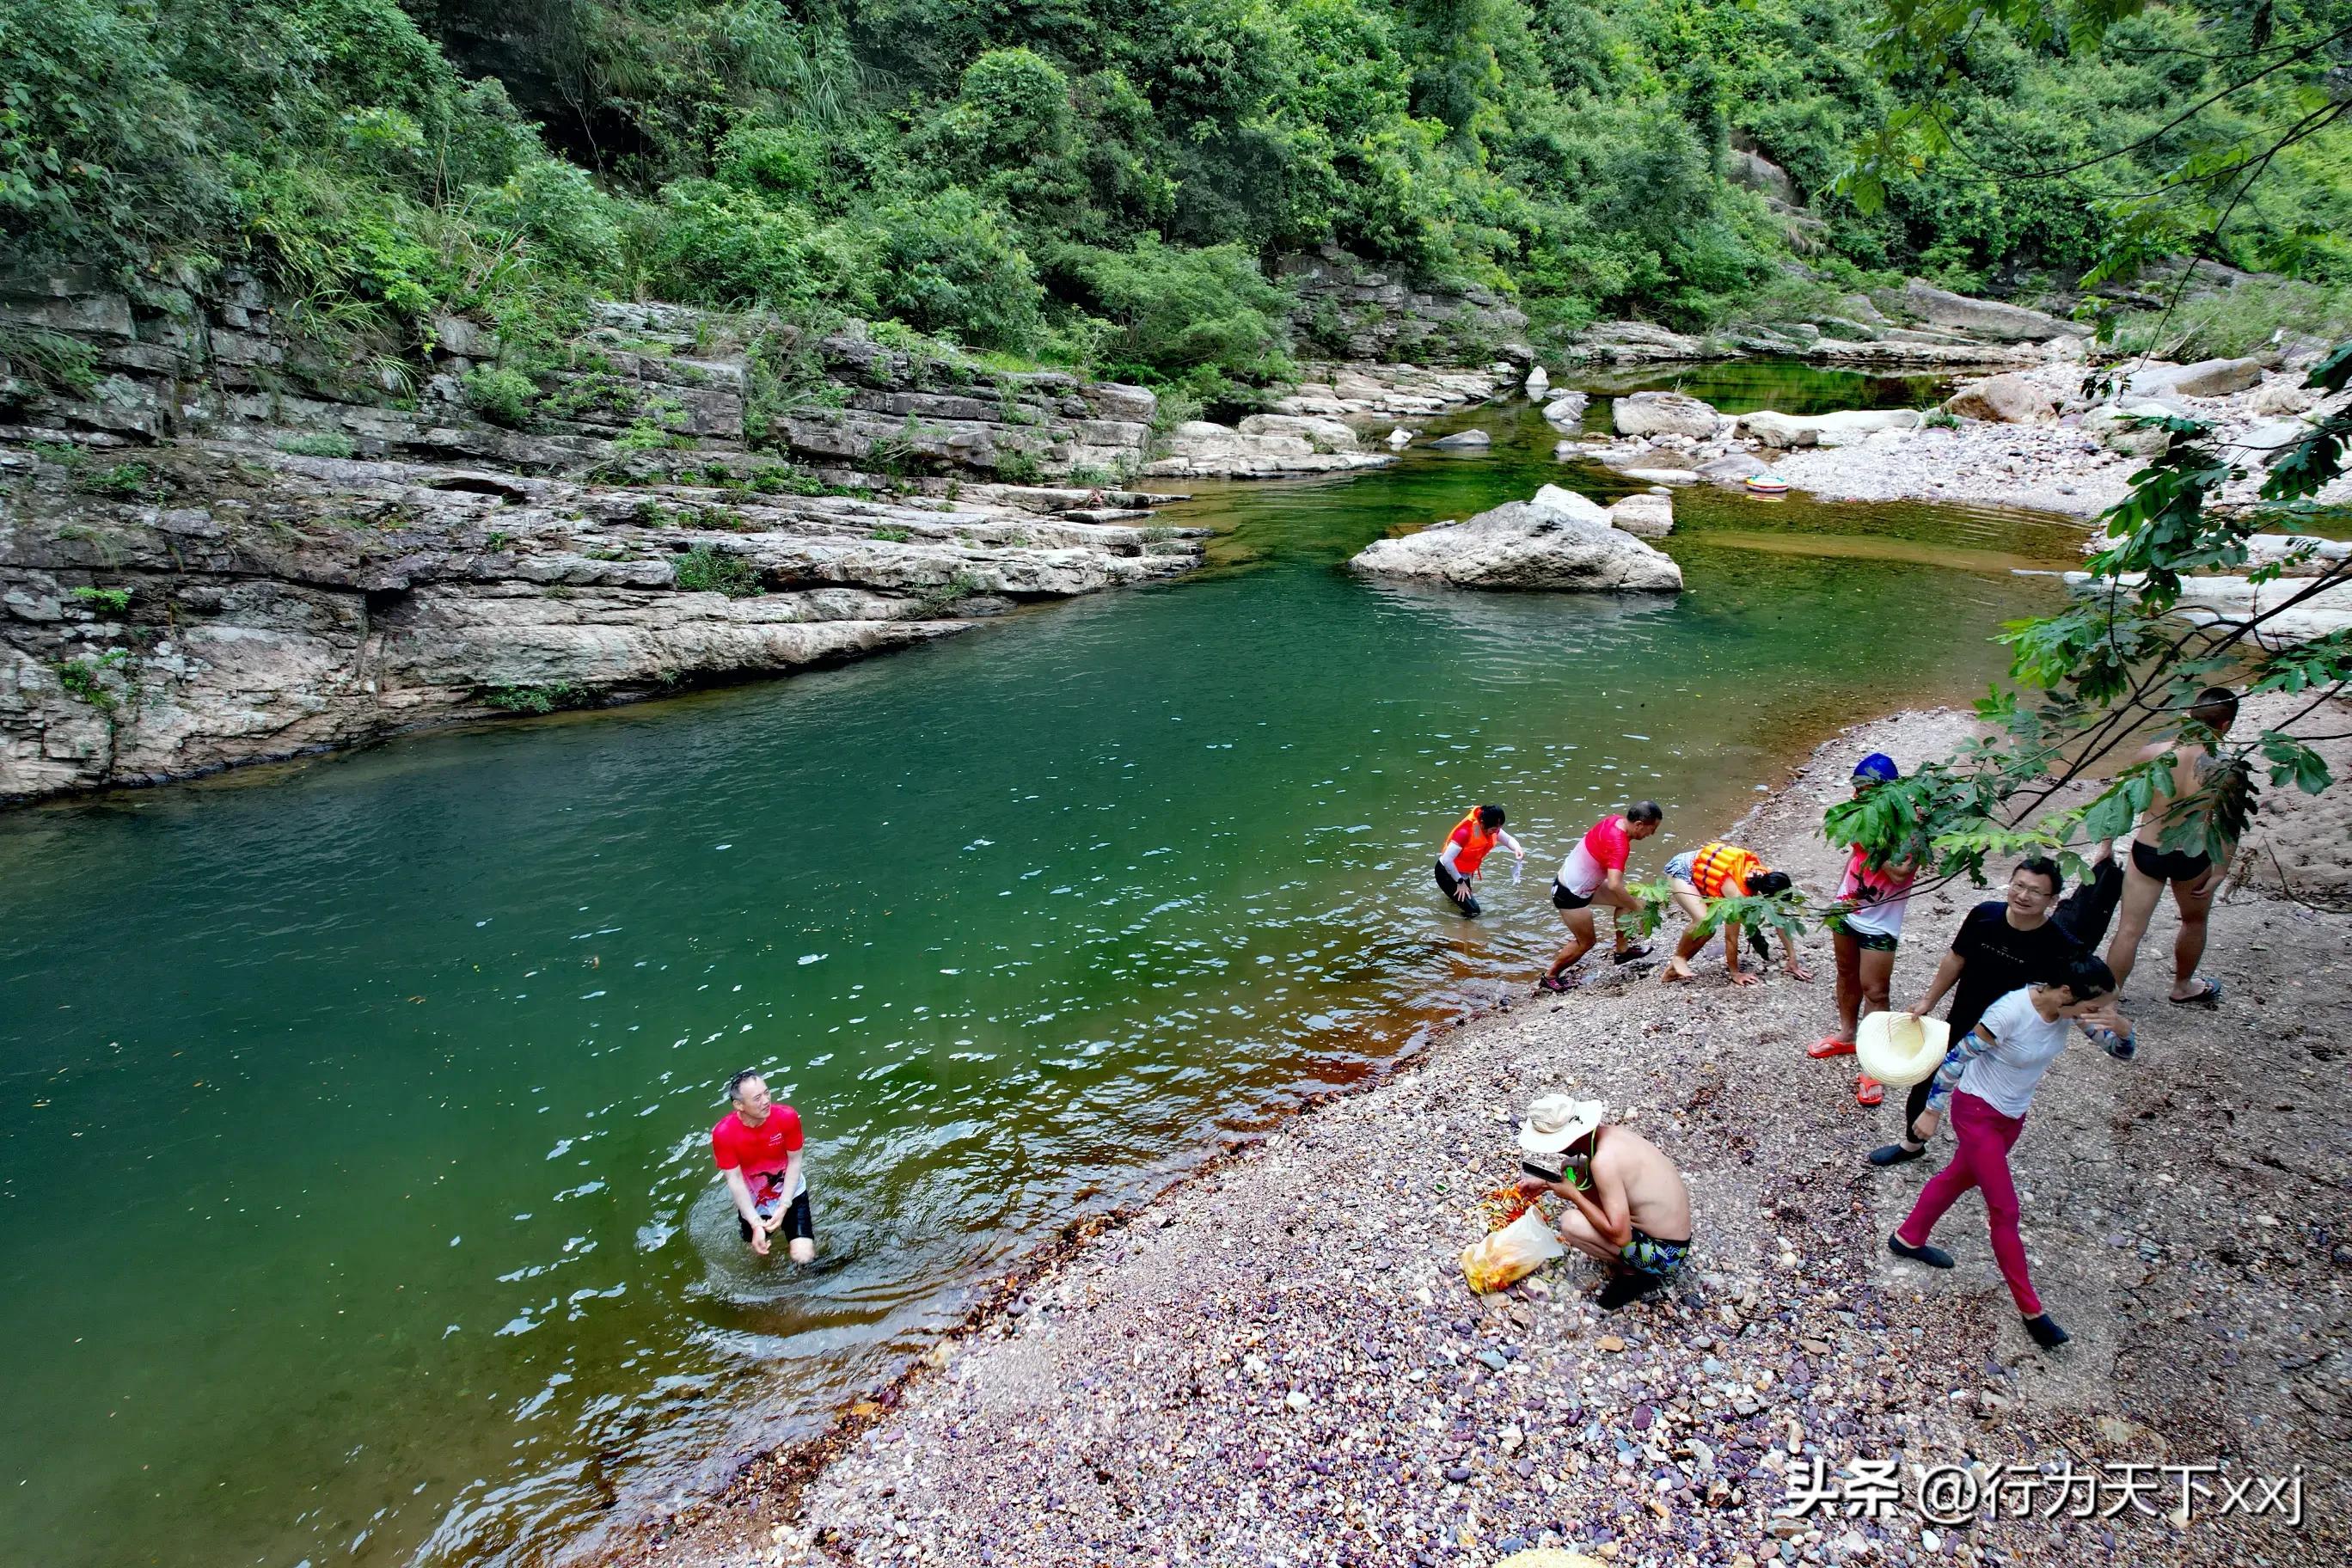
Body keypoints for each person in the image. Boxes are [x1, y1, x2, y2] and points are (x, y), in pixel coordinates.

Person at [1885, 956, 2135, 1350]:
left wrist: (2123, 1028)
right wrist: (1931, 1112)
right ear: (2066, 992)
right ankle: (2032, 1311)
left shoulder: (2069, 1010)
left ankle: (1907, 1238)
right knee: (2005, 1211)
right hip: (1977, 1113)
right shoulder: (2009, 1013)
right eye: (2094, 1007)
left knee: (1957, 1178)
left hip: (2011, 1117)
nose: (2097, 1014)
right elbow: (1956, 1059)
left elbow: (2122, 1052)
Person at [1869, 848, 2125, 1166]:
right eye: (2019, 885)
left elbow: (2079, 994)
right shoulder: (1984, 915)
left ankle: (1978, 1158)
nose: (2023, 896)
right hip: (1965, 1015)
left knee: (1991, 1097)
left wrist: (2110, 1026)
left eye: (2035, 891)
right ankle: (1912, 1144)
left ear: (2053, 899)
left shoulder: (2062, 945)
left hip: (2015, 1031)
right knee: (1930, 1077)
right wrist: (1929, 999)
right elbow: (1956, 958)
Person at [2103, 687, 2241, 1007]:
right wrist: (2221, 871)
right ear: (2225, 726)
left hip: (2149, 851)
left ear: (2188, 715)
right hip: (2194, 855)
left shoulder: (2153, 754)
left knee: (2129, 930)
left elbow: (2118, 802)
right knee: (2194, 921)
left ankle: (2107, 1002)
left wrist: (2106, 846)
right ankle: (2182, 986)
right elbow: (2228, 825)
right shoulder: (2227, 768)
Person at [1514, 1093, 1692, 1310]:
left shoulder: (1604, 1163)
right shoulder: (1610, 1136)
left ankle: (1635, 1274)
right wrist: (1547, 1182)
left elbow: (1621, 1235)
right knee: (1570, 1167)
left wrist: (1574, 1195)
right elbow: (1583, 1172)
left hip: (1666, 1255)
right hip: (1673, 1234)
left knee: (1571, 1223)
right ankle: (1634, 1265)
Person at [1810, 754, 1918, 1106]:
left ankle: (1873, 1063)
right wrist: (1836, 892)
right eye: (1858, 790)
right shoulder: (1861, 815)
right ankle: (1847, 1033)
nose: (1860, 796)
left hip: (1881, 918)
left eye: (1868, 790)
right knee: (1845, 972)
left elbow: (1901, 872)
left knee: (1876, 990)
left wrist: (1868, 836)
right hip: (1847, 907)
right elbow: (1854, 857)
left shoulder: (1911, 828)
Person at [1537, 801, 1663, 991]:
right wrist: (1641, 912)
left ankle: (1622, 951)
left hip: (1580, 883)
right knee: (1586, 942)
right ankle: (1550, 976)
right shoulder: (1620, 844)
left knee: (1627, 899)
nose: (1651, 834)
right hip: (1570, 893)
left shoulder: (1614, 821)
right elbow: (1614, 884)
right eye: (1651, 829)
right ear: (1638, 824)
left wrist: (1634, 904)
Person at [1657, 840, 1812, 986]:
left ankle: (1672, 971)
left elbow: (1780, 921)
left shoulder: (1768, 880)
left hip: (1707, 874)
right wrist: (1735, 973)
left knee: (1708, 931)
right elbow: (1731, 938)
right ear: (1764, 897)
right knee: (1703, 922)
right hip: (1682, 870)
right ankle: (1677, 960)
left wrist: (1792, 958)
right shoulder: (1738, 896)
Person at [711, 1069, 815, 1262]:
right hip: (754, 1202)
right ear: (739, 1105)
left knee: (803, 1256)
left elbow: (795, 1161)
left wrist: (784, 1206)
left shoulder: (787, 1117)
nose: (766, 1101)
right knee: (759, 1255)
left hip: (791, 1191)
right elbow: (734, 1180)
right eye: (757, 1098)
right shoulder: (724, 1133)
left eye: (767, 1093)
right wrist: (755, 1222)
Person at [1434, 803, 1525, 918]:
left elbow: (1507, 839)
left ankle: (1451, 910)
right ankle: (1461, 932)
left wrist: (1517, 848)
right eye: (1494, 829)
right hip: (1447, 873)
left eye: (1499, 828)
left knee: (1458, 902)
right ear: (1482, 823)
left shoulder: (1491, 828)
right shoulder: (1465, 832)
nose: (1496, 832)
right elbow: (1447, 860)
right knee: (1474, 910)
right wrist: (1460, 883)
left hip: (1464, 874)